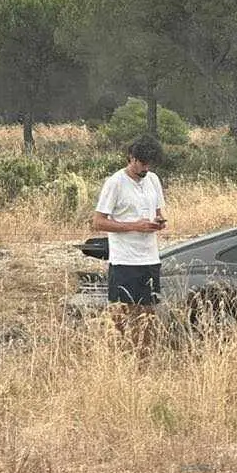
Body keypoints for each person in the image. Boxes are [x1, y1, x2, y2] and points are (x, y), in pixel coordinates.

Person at [91, 135, 168, 352]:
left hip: (150, 257)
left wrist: (158, 222)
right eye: (143, 163)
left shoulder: (153, 180)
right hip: (125, 260)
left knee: (148, 315)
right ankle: (121, 355)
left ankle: (144, 358)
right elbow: (98, 222)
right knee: (122, 316)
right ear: (131, 158)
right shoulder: (115, 183)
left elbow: (159, 212)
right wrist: (134, 226)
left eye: (150, 163)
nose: (146, 168)